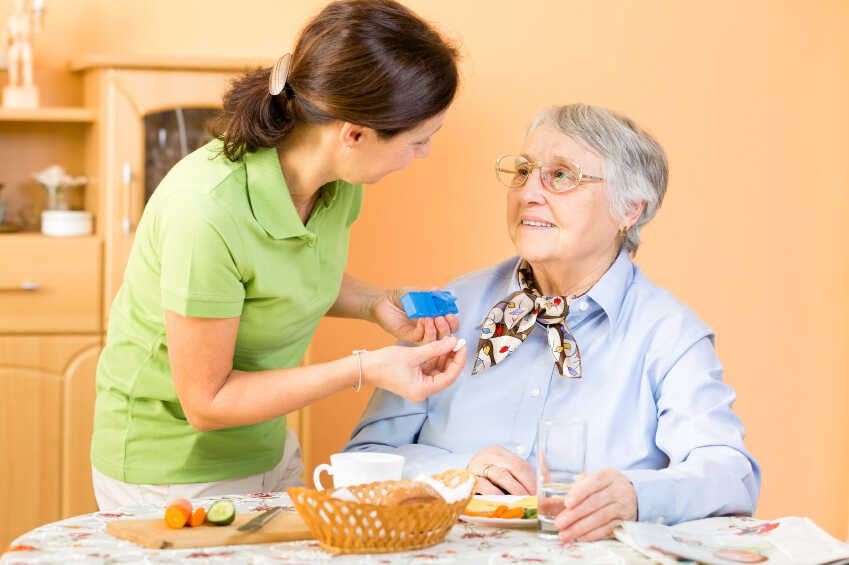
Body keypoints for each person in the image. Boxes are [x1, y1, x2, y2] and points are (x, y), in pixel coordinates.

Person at [91, 0, 467, 510]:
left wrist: (378, 302)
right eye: (420, 140)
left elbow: (289, 275)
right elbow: (208, 402)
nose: (424, 155)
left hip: (267, 447)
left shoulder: (338, 183)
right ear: (352, 134)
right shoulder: (205, 211)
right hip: (169, 471)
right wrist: (366, 368)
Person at [345, 103, 761, 542]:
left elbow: (731, 474)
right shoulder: (453, 306)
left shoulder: (670, 334)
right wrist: (455, 472)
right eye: (524, 171)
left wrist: (637, 495)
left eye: (561, 176)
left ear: (630, 210)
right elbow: (364, 458)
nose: (528, 193)